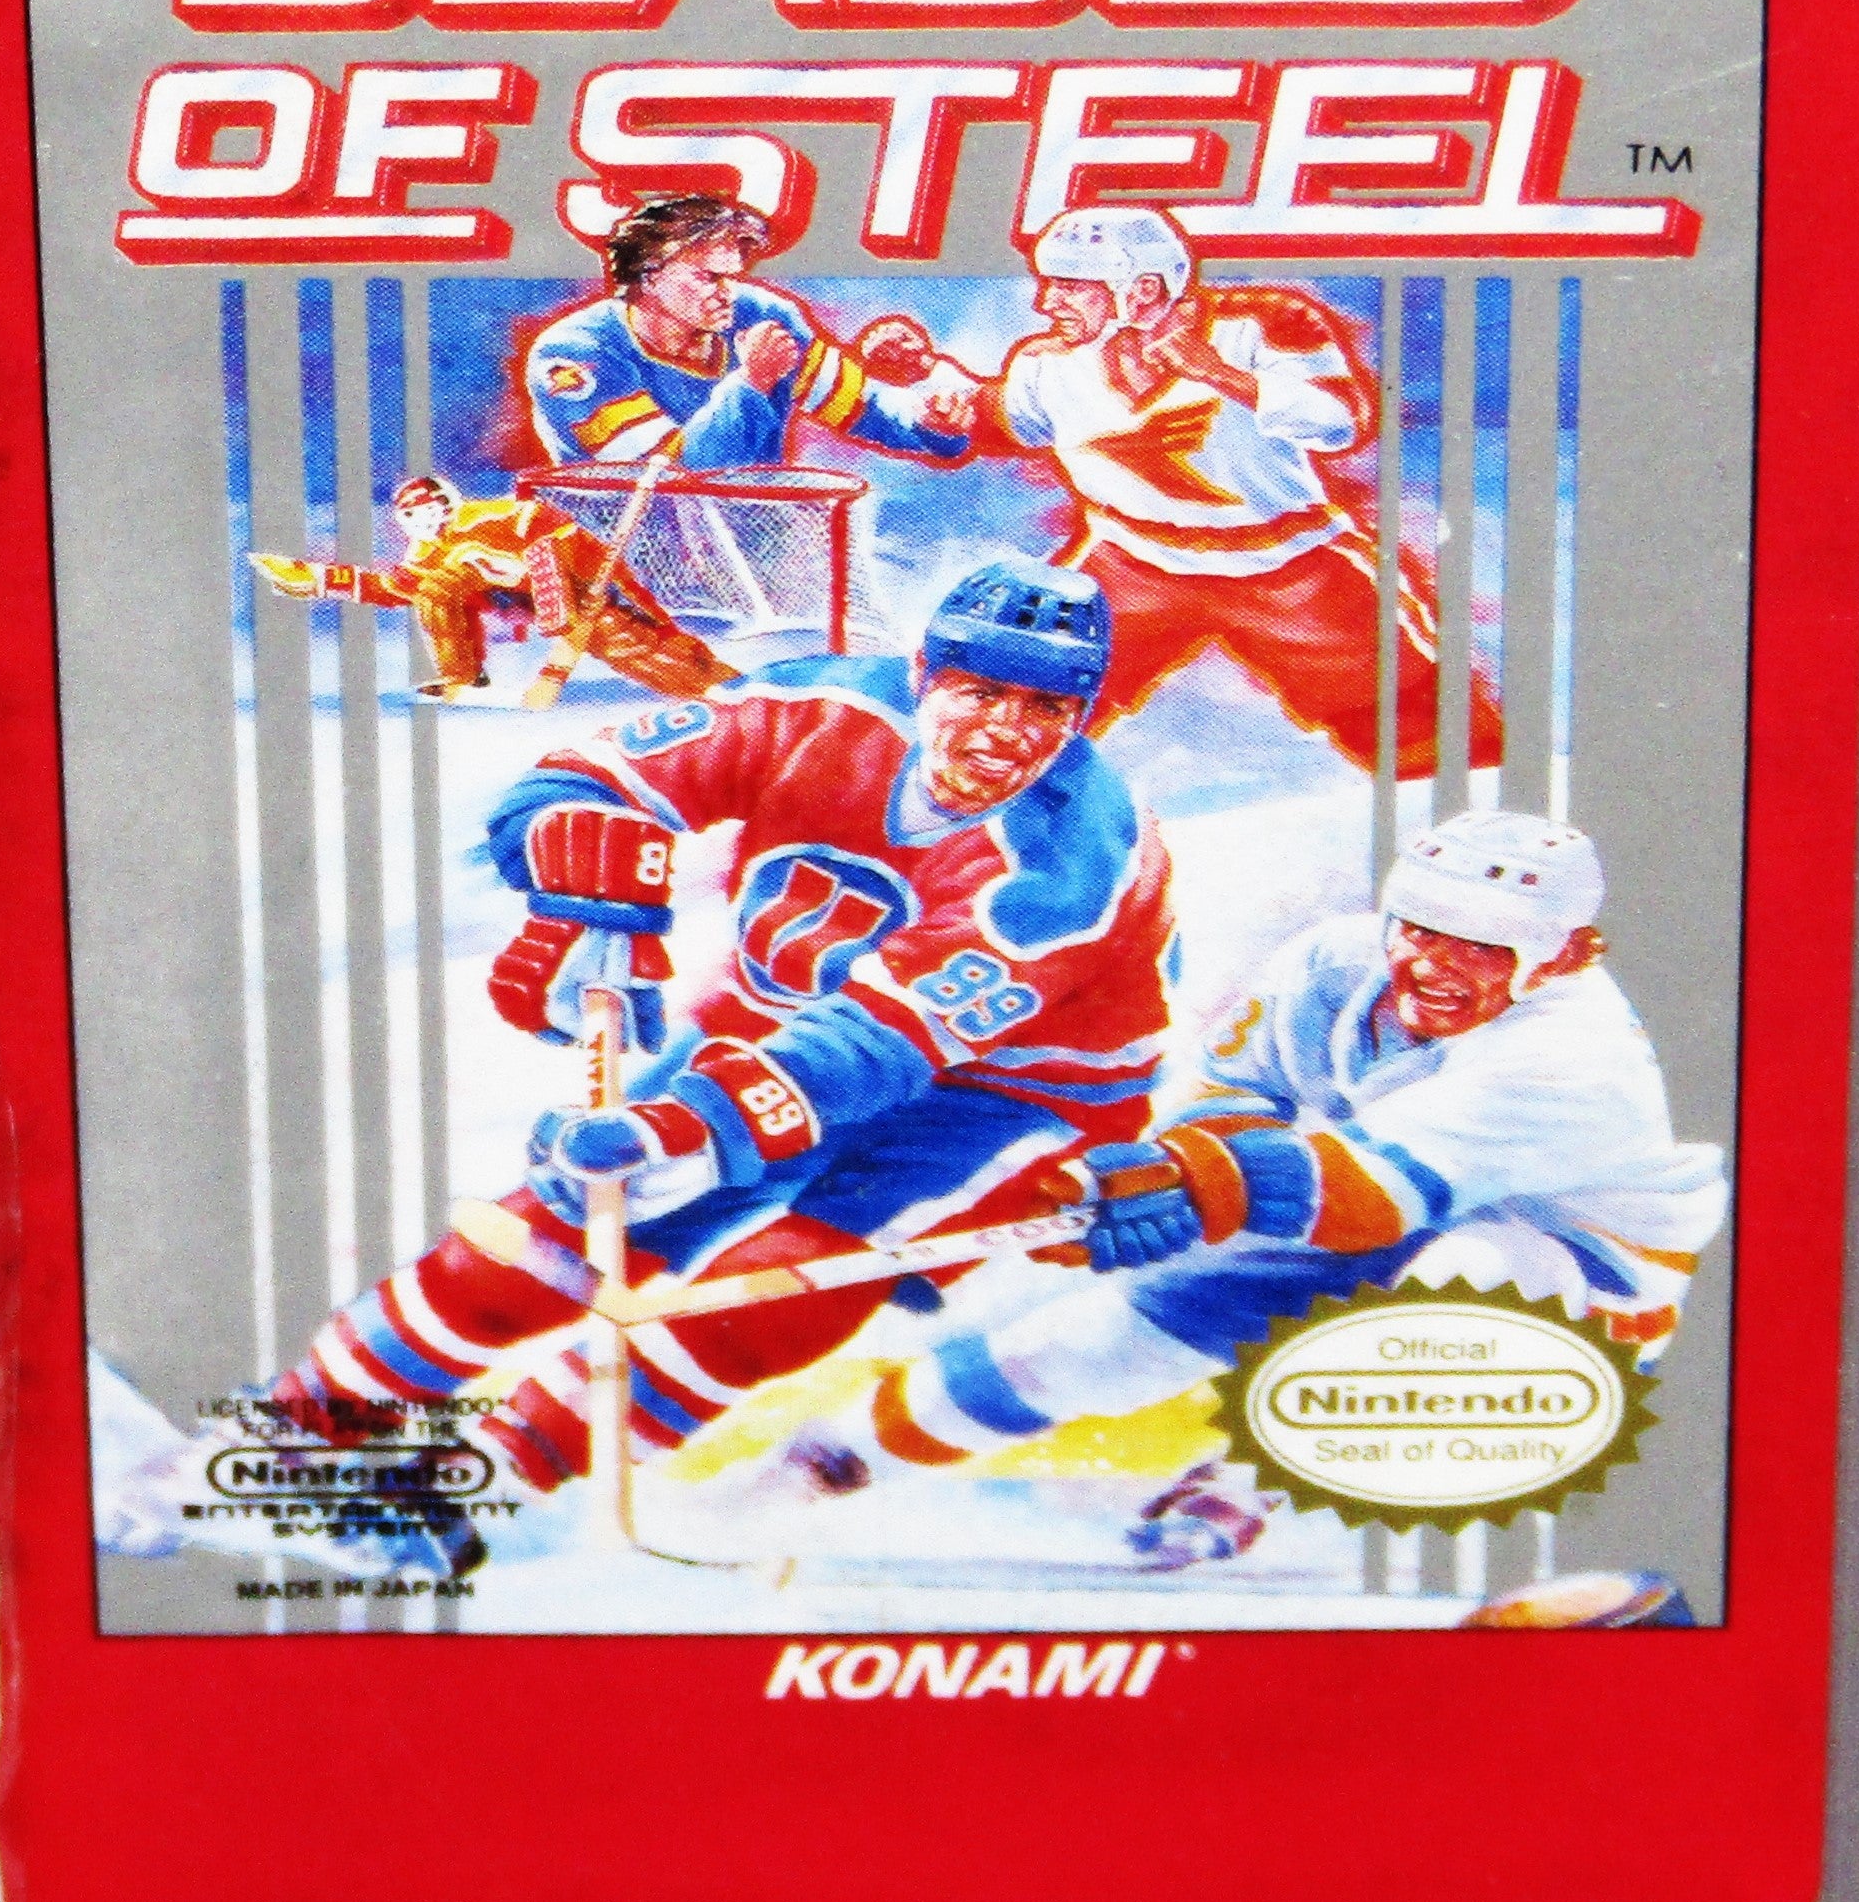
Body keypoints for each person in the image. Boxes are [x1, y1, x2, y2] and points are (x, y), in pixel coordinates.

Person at [233, 561, 1173, 1545]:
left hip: (1010, 1098)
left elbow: (878, 1046)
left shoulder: (1074, 860)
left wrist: (689, 1124)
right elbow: (590, 776)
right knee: (558, 1227)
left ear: (1081, 718)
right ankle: (301, 1429)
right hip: (775, 1027)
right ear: (923, 674)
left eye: (1046, 708)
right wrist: (578, 855)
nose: (1004, 731)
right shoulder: (812, 710)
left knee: (774, 1290)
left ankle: (486, 1482)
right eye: (979, 693)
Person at [737, 808, 1722, 1552]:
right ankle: (814, 1468)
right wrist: (1162, 1178)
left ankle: (1258, 1485)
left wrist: (1190, 1185)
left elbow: (1365, 1194)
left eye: (1480, 946)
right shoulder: (1337, 963)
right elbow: (1236, 1097)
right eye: (1420, 929)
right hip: (1384, 1207)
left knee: (1465, 1272)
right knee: (1093, 1343)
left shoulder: (1571, 1057)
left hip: (1582, 1278)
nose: (1431, 966)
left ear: (1567, 952)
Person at [907, 204, 1497, 776]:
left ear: (1141, 290)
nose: (1046, 302)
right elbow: (1003, 421)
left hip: (1285, 566)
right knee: (1028, 686)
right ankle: (978, 810)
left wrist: (1218, 373)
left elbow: (1339, 421)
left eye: (1070, 286)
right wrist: (937, 396)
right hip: (1131, 565)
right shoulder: (1047, 362)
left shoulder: (1262, 324)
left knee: (1413, 716)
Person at [517, 193, 965, 473]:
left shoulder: (759, 316)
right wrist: (750, 384)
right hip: (621, 564)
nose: (728, 293)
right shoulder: (575, 356)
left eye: (733, 277)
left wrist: (926, 422)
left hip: (751, 550)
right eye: (709, 277)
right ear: (649, 277)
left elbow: (857, 404)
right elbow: (665, 476)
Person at [249, 468, 733, 702]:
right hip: (531, 597)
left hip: (580, 580)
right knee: (437, 589)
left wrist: (544, 576)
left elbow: (556, 530)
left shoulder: (494, 516)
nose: (418, 521)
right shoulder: (428, 552)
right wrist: (319, 579)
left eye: (424, 509)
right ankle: (462, 673)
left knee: (638, 642)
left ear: (446, 503)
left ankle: (720, 686)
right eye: (408, 515)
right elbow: (398, 589)